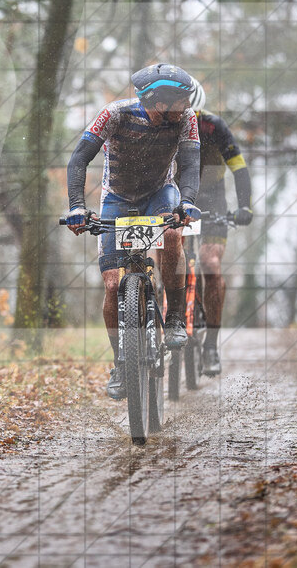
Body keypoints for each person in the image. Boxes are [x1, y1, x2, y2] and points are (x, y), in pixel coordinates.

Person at [63, 63, 202, 401]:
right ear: (159, 102)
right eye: (181, 100)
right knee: (112, 284)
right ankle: (120, 364)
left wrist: (187, 203)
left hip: (160, 193)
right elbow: (79, 159)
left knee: (172, 234)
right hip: (117, 198)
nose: (186, 106)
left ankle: (172, 319)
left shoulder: (186, 120)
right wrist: (77, 207)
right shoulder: (115, 114)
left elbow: (190, 164)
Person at [185, 76, 253, 376]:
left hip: (212, 202)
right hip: (176, 199)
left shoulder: (214, 127)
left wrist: (244, 205)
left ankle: (210, 344)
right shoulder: (163, 127)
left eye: (192, 115)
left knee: (209, 264)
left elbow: (238, 168)